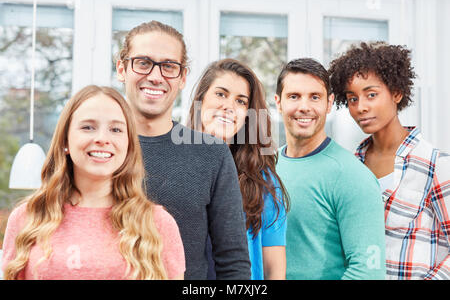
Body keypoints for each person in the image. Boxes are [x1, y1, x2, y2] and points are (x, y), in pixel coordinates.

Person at [1, 85, 185, 280]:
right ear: (65, 141)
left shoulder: (157, 223)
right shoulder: (27, 217)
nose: (102, 139)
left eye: (115, 129)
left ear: (129, 144)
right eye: (88, 127)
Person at [115, 21, 251, 280]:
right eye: (143, 63)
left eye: (168, 66)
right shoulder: (99, 150)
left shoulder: (212, 154)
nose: (156, 76)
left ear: (182, 78)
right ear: (122, 68)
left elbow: (233, 263)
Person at [329, 41, 450, 280]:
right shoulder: (352, 168)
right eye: (352, 99)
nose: (361, 107)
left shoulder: (435, 164)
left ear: (396, 92)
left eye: (371, 95)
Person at [274, 58, 386, 280]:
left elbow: (368, 273)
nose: (304, 106)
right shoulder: (264, 166)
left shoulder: (352, 176)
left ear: (329, 103)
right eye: (294, 96)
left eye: (315, 97)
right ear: (278, 102)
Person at [188, 58, 290, 280]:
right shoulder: (174, 164)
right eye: (221, 94)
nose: (229, 107)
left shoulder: (262, 181)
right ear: (201, 100)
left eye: (241, 101)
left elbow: (274, 271)